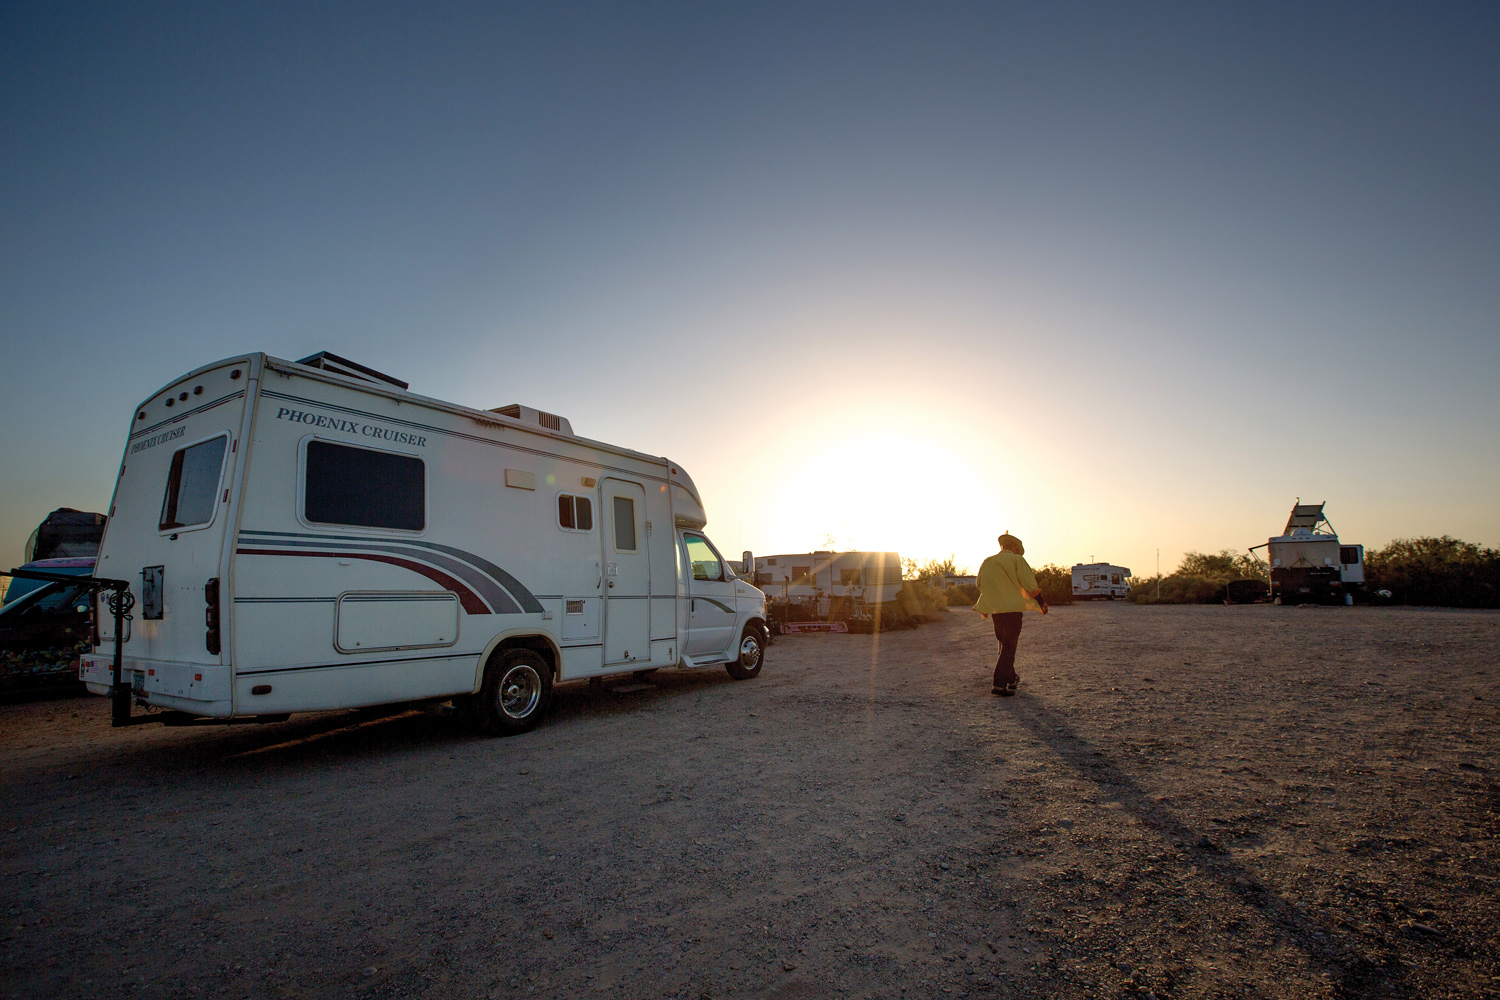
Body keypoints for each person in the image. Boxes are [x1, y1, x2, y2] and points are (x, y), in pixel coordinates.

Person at [973, 532, 1048, 696]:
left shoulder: (988, 562)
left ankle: (1012, 679)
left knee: (1005, 646)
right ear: (1013, 547)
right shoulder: (1017, 560)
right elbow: (1029, 583)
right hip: (1013, 610)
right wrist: (1041, 602)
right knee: (1009, 647)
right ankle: (999, 685)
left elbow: (979, 584)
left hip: (996, 611)